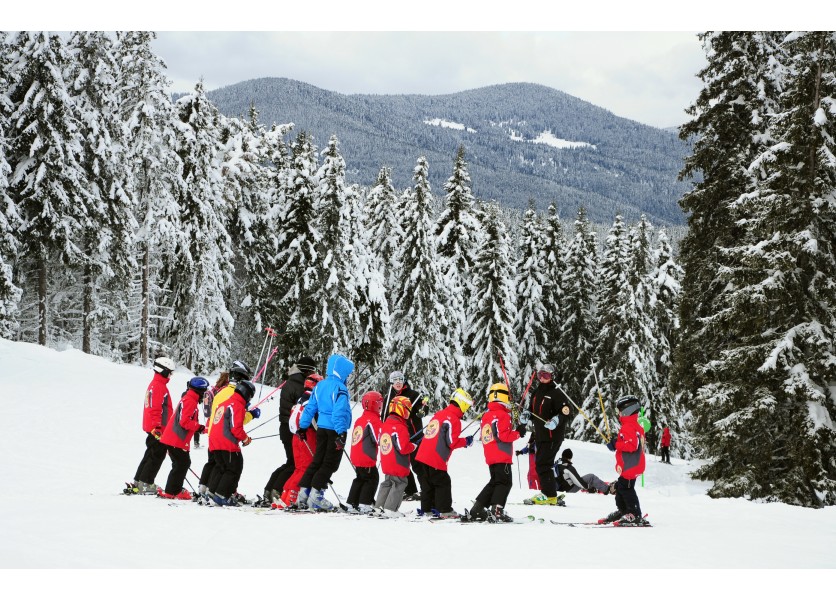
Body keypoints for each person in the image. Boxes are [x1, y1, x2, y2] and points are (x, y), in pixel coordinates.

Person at [296, 353, 355, 511]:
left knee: (317, 461)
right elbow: (339, 411)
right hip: (334, 430)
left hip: (321, 429)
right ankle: (316, 497)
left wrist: (303, 426)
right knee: (329, 464)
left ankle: (303, 495)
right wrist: (341, 432)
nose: (347, 377)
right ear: (341, 372)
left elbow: (310, 407)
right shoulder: (340, 388)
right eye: (347, 374)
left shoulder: (320, 385)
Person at [465, 383, 528, 522]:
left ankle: (477, 509)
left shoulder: (487, 415)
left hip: (491, 454)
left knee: (494, 482)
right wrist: (518, 433)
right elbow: (504, 436)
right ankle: (497, 510)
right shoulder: (502, 415)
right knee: (504, 483)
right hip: (501, 454)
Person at [260, 356, 317, 506]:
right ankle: (277, 490)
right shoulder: (299, 385)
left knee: (290, 462)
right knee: (294, 464)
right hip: (293, 428)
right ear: (305, 370)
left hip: (287, 426)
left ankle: (270, 488)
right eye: (311, 370)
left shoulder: (292, 381)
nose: (312, 373)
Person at [200, 360, 257, 501]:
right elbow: (234, 421)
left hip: (215, 434)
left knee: (219, 466)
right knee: (232, 466)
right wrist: (250, 415)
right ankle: (222, 494)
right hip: (225, 437)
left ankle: (211, 492)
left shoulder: (222, 391)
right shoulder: (231, 395)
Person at [414, 388, 475, 518]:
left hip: (422, 455)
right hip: (435, 457)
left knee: (428, 484)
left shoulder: (440, 414)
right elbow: (452, 442)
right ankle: (444, 509)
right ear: (462, 403)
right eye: (467, 407)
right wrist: (466, 441)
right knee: (443, 482)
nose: (466, 410)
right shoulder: (453, 419)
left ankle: (427, 508)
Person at [524, 363, 572, 506]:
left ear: (552, 377)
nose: (542, 378)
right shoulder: (537, 391)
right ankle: (549, 494)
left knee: (543, 464)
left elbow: (566, 411)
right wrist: (527, 415)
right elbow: (533, 410)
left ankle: (549, 495)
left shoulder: (557, 392)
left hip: (553, 435)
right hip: (540, 434)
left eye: (546, 375)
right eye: (540, 375)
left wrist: (557, 419)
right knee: (541, 464)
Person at [127, 356, 175, 495]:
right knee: (156, 456)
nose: (171, 375)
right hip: (158, 429)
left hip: (154, 428)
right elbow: (155, 409)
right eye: (170, 372)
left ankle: (139, 481)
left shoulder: (156, 384)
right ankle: (146, 483)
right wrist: (157, 427)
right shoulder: (159, 386)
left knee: (150, 454)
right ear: (164, 371)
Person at [600, 395, 650, 526]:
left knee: (626, 489)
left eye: (620, 411)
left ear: (627, 411)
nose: (619, 414)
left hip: (631, 465)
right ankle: (624, 511)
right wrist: (617, 442)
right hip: (633, 464)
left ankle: (635, 514)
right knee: (622, 487)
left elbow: (632, 446)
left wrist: (616, 444)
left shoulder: (628, 426)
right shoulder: (634, 425)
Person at [158, 376, 210, 499]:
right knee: (182, 463)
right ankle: (172, 491)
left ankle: (174, 489)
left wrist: (200, 428)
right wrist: (200, 427)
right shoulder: (190, 401)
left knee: (181, 463)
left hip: (174, 438)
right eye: (204, 392)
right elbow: (184, 422)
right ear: (199, 391)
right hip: (176, 439)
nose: (204, 396)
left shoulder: (189, 398)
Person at [381, 370, 427, 501]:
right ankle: (410, 490)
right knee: (401, 464)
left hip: (413, 434)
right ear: (391, 382)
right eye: (395, 380)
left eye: (400, 379)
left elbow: (422, 408)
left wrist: (421, 412)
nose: (398, 383)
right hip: (396, 435)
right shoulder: (389, 397)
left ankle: (425, 490)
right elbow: (384, 415)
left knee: (417, 463)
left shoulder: (413, 395)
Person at [278, 373, 323, 509]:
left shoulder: (300, 399)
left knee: (298, 468)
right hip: (307, 436)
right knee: (306, 468)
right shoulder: (312, 400)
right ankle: (292, 496)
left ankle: (285, 495)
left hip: (296, 436)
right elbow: (315, 421)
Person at [374, 395, 418, 518]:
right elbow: (403, 448)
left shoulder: (385, 424)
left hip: (386, 460)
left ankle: (379, 506)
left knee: (387, 482)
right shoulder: (400, 427)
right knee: (399, 483)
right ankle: (391, 509)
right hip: (398, 462)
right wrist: (413, 446)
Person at [347, 390, 384, 513]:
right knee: (372, 479)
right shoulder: (374, 420)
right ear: (377, 405)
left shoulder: (361, 419)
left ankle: (352, 503)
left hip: (357, 455)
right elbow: (379, 438)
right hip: (366, 457)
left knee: (360, 478)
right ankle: (364, 504)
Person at [196, 371, 228, 448]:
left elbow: (207, 413)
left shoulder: (214, 390)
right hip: (220, 419)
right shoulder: (225, 391)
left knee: (213, 445)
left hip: (212, 420)